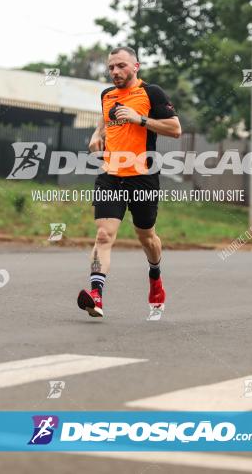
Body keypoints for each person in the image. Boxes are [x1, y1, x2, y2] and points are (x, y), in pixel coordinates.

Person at [77, 47, 181, 318]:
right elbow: (105, 115)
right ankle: (96, 295)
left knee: (146, 237)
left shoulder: (152, 93)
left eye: (121, 66)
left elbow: (175, 128)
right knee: (103, 235)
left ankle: (155, 276)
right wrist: (96, 133)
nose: (115, 72)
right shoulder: (107, 95)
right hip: (111, 174)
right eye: (111, 67)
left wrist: (140, 119)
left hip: (143, 176)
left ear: (136, 66)